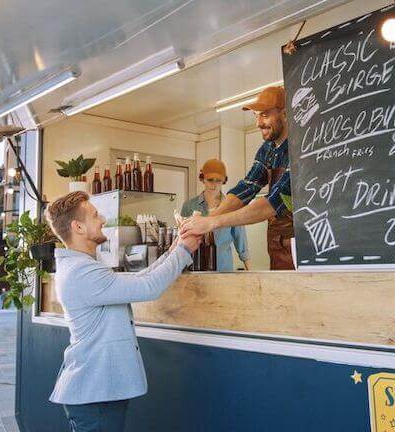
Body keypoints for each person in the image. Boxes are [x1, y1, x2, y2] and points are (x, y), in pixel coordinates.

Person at [46, 191, 201, 431]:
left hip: (97, 391)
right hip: (94, 393)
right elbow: (147, 287)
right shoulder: (81, 272)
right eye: (95, 215)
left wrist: (174, 249)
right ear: (78, 227)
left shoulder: (81, 266)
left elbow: (138, 278)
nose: (103, 220)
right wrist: (184, 252)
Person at [181, 86, 295, 269]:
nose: (258, 123)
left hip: (303, 247)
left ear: (286, 114)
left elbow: (272, 204)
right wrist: (207, 220)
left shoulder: (299, 148)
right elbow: (246, 189)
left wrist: (211, 222)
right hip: (276, 245)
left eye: (264, 115)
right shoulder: (267, 150)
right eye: (256, 116)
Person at [181, 159, 251, 272]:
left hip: (223, 269)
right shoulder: (189, 206)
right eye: (210, 180)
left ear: (224, 181)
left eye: (218, 181)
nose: (214, 184)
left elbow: (240, 239)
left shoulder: (232, 207)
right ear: (202, 179)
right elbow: (182, 239)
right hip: (195, 268)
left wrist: (250, 272)